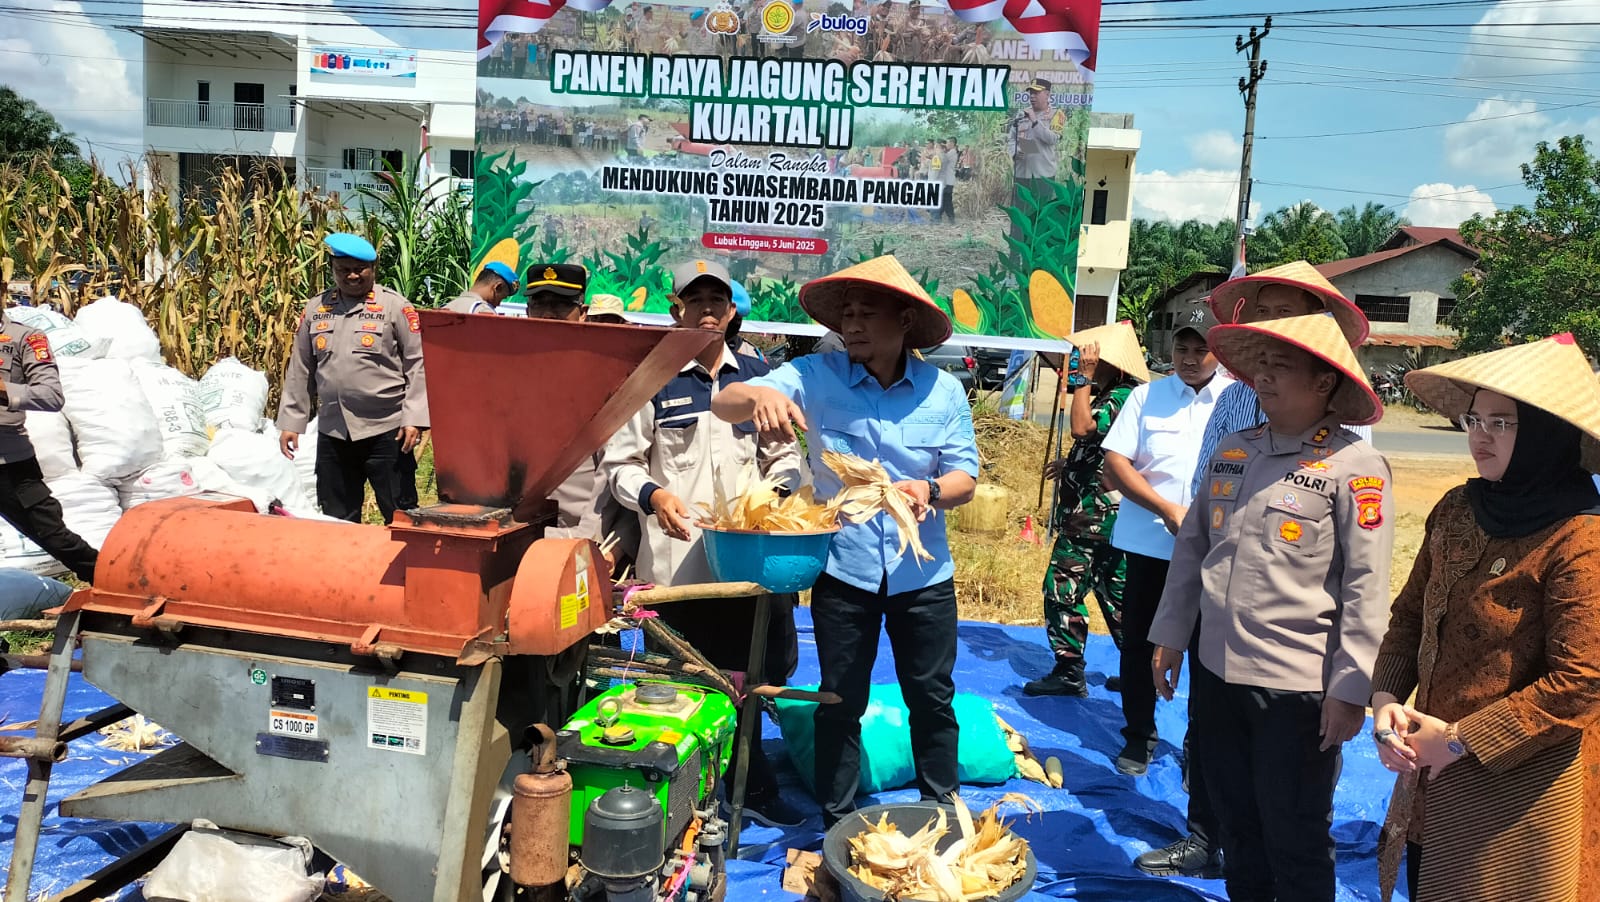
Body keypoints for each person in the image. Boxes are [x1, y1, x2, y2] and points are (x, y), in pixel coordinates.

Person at [710, 255, 980, 826]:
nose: (851, 326)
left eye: (866, 314)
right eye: (846, 315)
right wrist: (757, 399)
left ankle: (942, 811)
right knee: (840, 699)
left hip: (923, 576)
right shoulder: (814, 376)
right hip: (845, 571)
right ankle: (841, 818)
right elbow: (722, 402)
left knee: (931, 697)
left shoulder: (945, 392)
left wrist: (928, 489)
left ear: (905, 320)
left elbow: (965, 480)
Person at [1142, 258, 1376, 879]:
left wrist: (1352, 688)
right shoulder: (1234, 447)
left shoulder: (1355, 464)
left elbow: (1365, 584)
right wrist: (1169, 634)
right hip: (1217, 671)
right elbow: (1195, 544)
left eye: (1281, 362)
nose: (1263, 374)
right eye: (1260, 356)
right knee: (1239, 822)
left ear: (1325, 380)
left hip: (1294, 685)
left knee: (1293, 832)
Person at [1369, 333, 1600, 902]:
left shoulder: (1581, 538)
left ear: (1548, 432)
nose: (1479, 436)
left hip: (1522, 789)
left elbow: (1583, 681)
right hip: (1431, 767)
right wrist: (1384, 705)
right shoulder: (1455, 509)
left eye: (1502, 423)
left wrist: (1460, 741)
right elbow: (1407, 619)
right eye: (1474, 419)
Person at [601, 258, 805, 827]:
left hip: (747, 565)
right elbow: (619, 464)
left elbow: (784, 456)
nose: (708, 310)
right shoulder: (651, 376)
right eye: (696, 301)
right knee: (680, 681)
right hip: (678, 570)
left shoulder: (761, 379)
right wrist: (654, 497)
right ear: (676, 308)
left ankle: (751, 782)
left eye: (718, 300)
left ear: (734, 309)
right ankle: (684, 791)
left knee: (755, 673)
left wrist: (782, 495)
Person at [1101, 300, 1233, 782]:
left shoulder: (1237, 400)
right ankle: (1139, 735)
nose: (1190, 356)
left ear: (1219, 352)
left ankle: (1200, 745)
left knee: (1205, 652)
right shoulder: (1146, 397)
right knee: (1138, 644)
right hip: (1149, 547)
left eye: (1202, 348)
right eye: (1182, 345)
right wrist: (1165, 509)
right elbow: (1115, 464)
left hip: (1213, 553)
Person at [1025, 323, 1148, 697]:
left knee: (1061, 588)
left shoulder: (1122, 394)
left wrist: (1082, 380)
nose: (1085, 359)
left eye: (1093, 356)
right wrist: (1072, 465)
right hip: (1106, 516)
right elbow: (1102, 445)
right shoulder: (1116, 393)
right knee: (1117, 596)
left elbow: (1082, 427)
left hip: (1093, 518)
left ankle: (1068, 671)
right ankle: (1138, 671)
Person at [277, 233, 427, 525]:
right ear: (332, 269)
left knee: (400, 515)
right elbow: (300, 368)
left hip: (387, 429)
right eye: (343, 269)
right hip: (334, 431)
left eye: (360, 269)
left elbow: (417, 363)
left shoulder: (395, 307)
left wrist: (414, 418)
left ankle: (405, 570)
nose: (352, 276)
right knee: (337, 518)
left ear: (374, 268)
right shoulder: (317, 309)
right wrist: (291, 423)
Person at [0, 306, 99, 583]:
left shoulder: (25, 338)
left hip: (10, 466)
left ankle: (113, 582)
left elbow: (51, 395)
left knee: (55, 537)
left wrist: (3, 390)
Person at [1009, 77, 1062, 203]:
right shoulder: (1022, 114)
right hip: (1022, 174)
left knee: (1039, 215)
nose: (1032, 96)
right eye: (1031, 93)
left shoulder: (1057, 114)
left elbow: (1053, 139)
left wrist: (1035, 121)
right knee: (1020, 216)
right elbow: (1012, 138)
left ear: (1047, 95)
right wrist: (1015, 151)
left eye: (1036, 93)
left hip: (1042, 176)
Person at [444, 262, 519, 315]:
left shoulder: (447, 307)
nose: (498, 304)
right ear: (498, 287)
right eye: (501, 298)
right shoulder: (484, 311)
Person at [935, 138, 958, 223]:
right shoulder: (950, 152)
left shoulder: (952, 153)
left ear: (952, 143)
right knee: (944, 199)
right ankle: (940, 216)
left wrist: (940, 150)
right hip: (947, 179)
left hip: (948, 180)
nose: (947, 144)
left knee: (947, 199)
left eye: (948, 143)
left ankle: (951, 217)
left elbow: (943, 159)